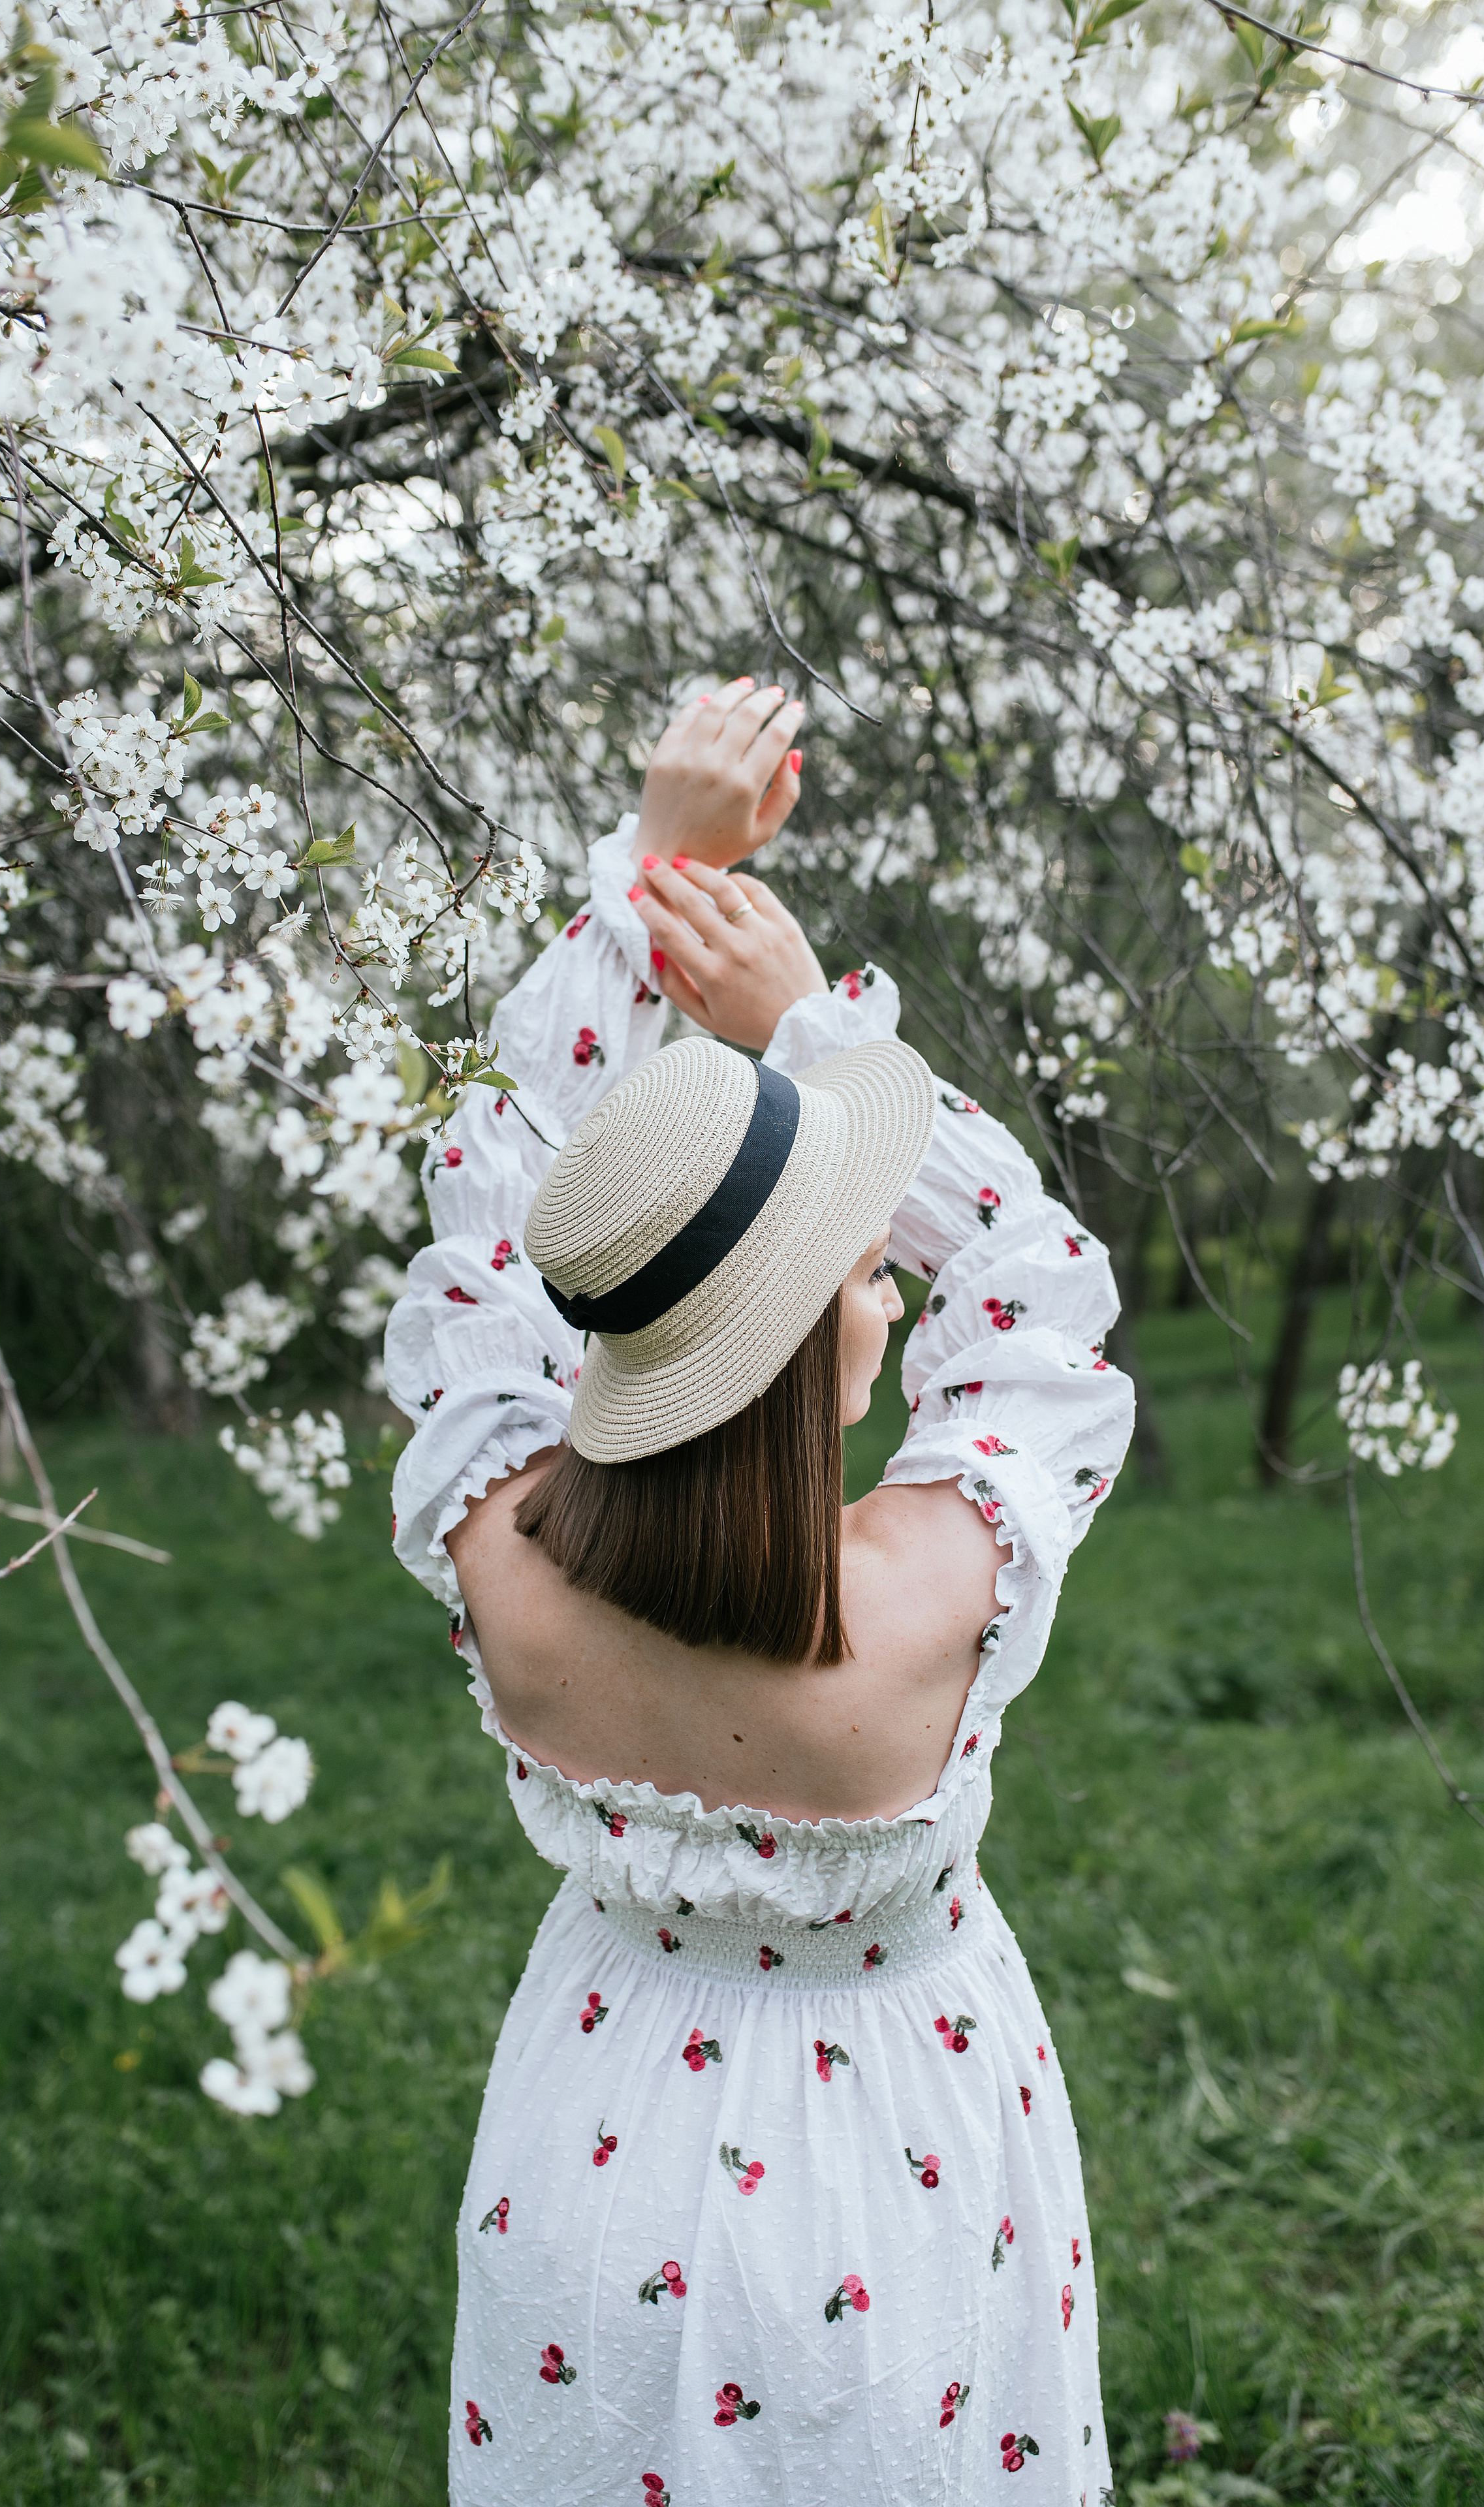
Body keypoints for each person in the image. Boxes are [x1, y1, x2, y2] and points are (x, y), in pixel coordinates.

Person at [385, 680, 1134, 2506]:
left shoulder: (501, 1543)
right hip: (903, 2153)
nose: (896, 1289)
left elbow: (494, 1209)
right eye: (869, 1267)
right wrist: (797, 1012)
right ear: (826, 1346)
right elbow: (1034, 1270)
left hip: (597, 2129)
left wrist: (645, 873)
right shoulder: (933, 1599)